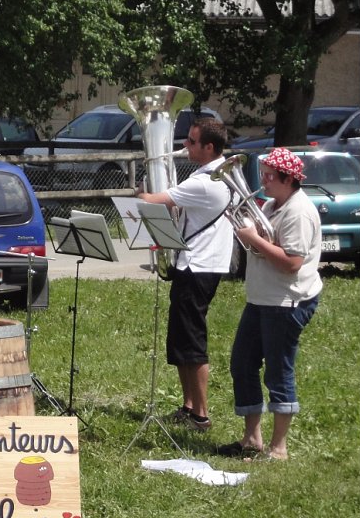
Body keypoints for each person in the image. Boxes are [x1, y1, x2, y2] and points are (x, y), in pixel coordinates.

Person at [219, 148, 322, 462]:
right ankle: (252, 439)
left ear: (289, 179)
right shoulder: (272, 204)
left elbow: (291, 263)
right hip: (262, 298)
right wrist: (251, 233)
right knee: (242, 364)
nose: (262, 181)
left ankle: (279, 448)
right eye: (262, 174)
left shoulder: (298, 212)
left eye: (269, 176)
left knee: (278, 372)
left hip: (286, 302)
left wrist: (254, 238)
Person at [137, 117, 234, 431]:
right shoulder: (214, 175)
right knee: (181, 340)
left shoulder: (206, 182)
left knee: (192, 341)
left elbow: (152, 201)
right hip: (195, 264)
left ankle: (201, 416)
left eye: (192, 141)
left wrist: (141, 192)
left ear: (209, 147)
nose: (185, 145)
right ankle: (189, 406)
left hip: (197, 266)